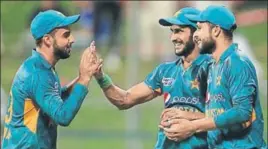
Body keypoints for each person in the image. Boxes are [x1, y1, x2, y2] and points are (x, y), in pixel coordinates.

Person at [94, 7, 212, 149]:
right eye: (172, 31)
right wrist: (101, 77)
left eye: (179, 31)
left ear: (196, 33)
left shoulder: (214, 68)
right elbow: (124, 100)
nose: (173, 37)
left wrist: (188, 118)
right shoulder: (165, 71)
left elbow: (236, 117)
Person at [160, 5, 267, 149]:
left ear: (216, 30)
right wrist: (186, 115)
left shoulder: (237, 63)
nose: (195, 35)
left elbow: (242, 113)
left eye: (199, 28)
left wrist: (192, 126)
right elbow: (221, 115)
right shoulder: (214, 65)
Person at [1, 10, 102, 149]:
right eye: (66, 35)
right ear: (47, 39)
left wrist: (84, 75)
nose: (72, 39)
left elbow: (54, 98)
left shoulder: (40, 67)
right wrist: (83, 79)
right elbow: (63, 116)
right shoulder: (38, 74)